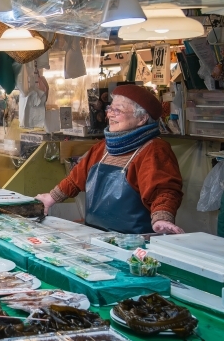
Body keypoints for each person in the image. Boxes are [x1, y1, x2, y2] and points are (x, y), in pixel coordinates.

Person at [35, 84, 184, 235]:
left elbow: (164, 190)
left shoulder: (154, 149)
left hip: (133, 239)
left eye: (118, 110)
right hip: (96, 234)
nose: (110, 115)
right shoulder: (103, 147)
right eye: (110, 109)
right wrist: (51, 198)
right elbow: (75, 179)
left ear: (142, 118)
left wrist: (162, 218)